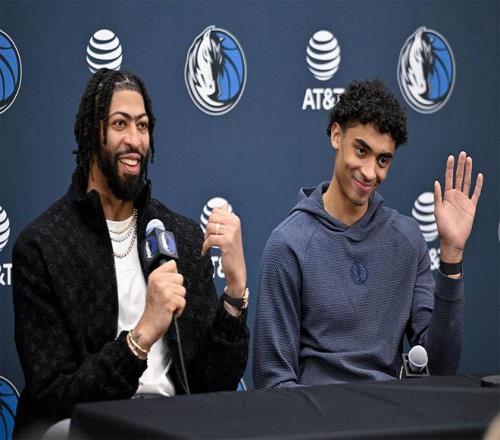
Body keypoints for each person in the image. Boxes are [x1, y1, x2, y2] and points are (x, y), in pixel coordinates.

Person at [12, 69, 249, 438]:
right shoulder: (43, 246)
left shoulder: (182, 237)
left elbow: (213, 385)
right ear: (93, 133)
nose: (135, 140)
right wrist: (140, 337)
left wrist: (234, 293)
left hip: (175, 427)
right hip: (93, 429)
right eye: (120, 124)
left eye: (142, 126)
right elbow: (53, 400)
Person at [253, 79, 483, 389]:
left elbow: (439, 368)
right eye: (361, 150)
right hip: (315, 414)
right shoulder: (289, 244)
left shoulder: (407, 239)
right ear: (337, 135)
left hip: (391, 412)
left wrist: (452, 253)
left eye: (383, 160)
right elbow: (273, 381)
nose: (370, 172)